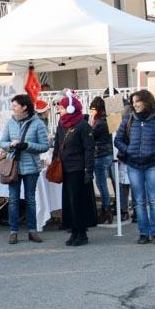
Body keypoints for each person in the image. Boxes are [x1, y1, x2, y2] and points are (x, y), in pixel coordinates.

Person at [113, 90, 155, 244]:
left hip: (153, 165)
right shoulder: (128, 120)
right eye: (133, 102)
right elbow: (118, 140)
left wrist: (154, 151)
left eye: (137, 101)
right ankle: (143, 233)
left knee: (153, 199)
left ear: (146, 101)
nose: (135, 104)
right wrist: (128, 151)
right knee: (139, 201)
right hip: (133, 165)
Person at [0, 94, 50, 244]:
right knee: (13, 200)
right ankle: (13, 231)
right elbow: (2, 142)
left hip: (31, 167)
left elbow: (45, 146)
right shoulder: (10, 123)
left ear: (24, 107)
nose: (12, 108)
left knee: (31, 200)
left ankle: (32, 231)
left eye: (15, 106)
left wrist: (28, 146)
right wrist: (10, 145)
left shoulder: (38, 123)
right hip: (13, 166)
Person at [53, 91, 97, 247]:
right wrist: (54, 162)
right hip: (65, 168)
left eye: (62, 107)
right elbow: (58, 145)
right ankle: (73, 230)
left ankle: (81, 232)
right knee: (69, 201)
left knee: (78, 202)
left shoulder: (82, 125)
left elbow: (89, 149)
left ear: (71, 108)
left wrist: (88, 170)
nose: (59, 109)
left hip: (78, 169)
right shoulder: (62, 124)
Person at [89, 97, 113, 225]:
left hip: (100, 155)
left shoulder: (99, 123)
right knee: (104, 183)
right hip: (109, 154)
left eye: (92, 109)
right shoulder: (109, 119)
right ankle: (107, 209)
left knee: (101, 184)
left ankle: (106, 209)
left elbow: (90, 136)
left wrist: (91, 122)